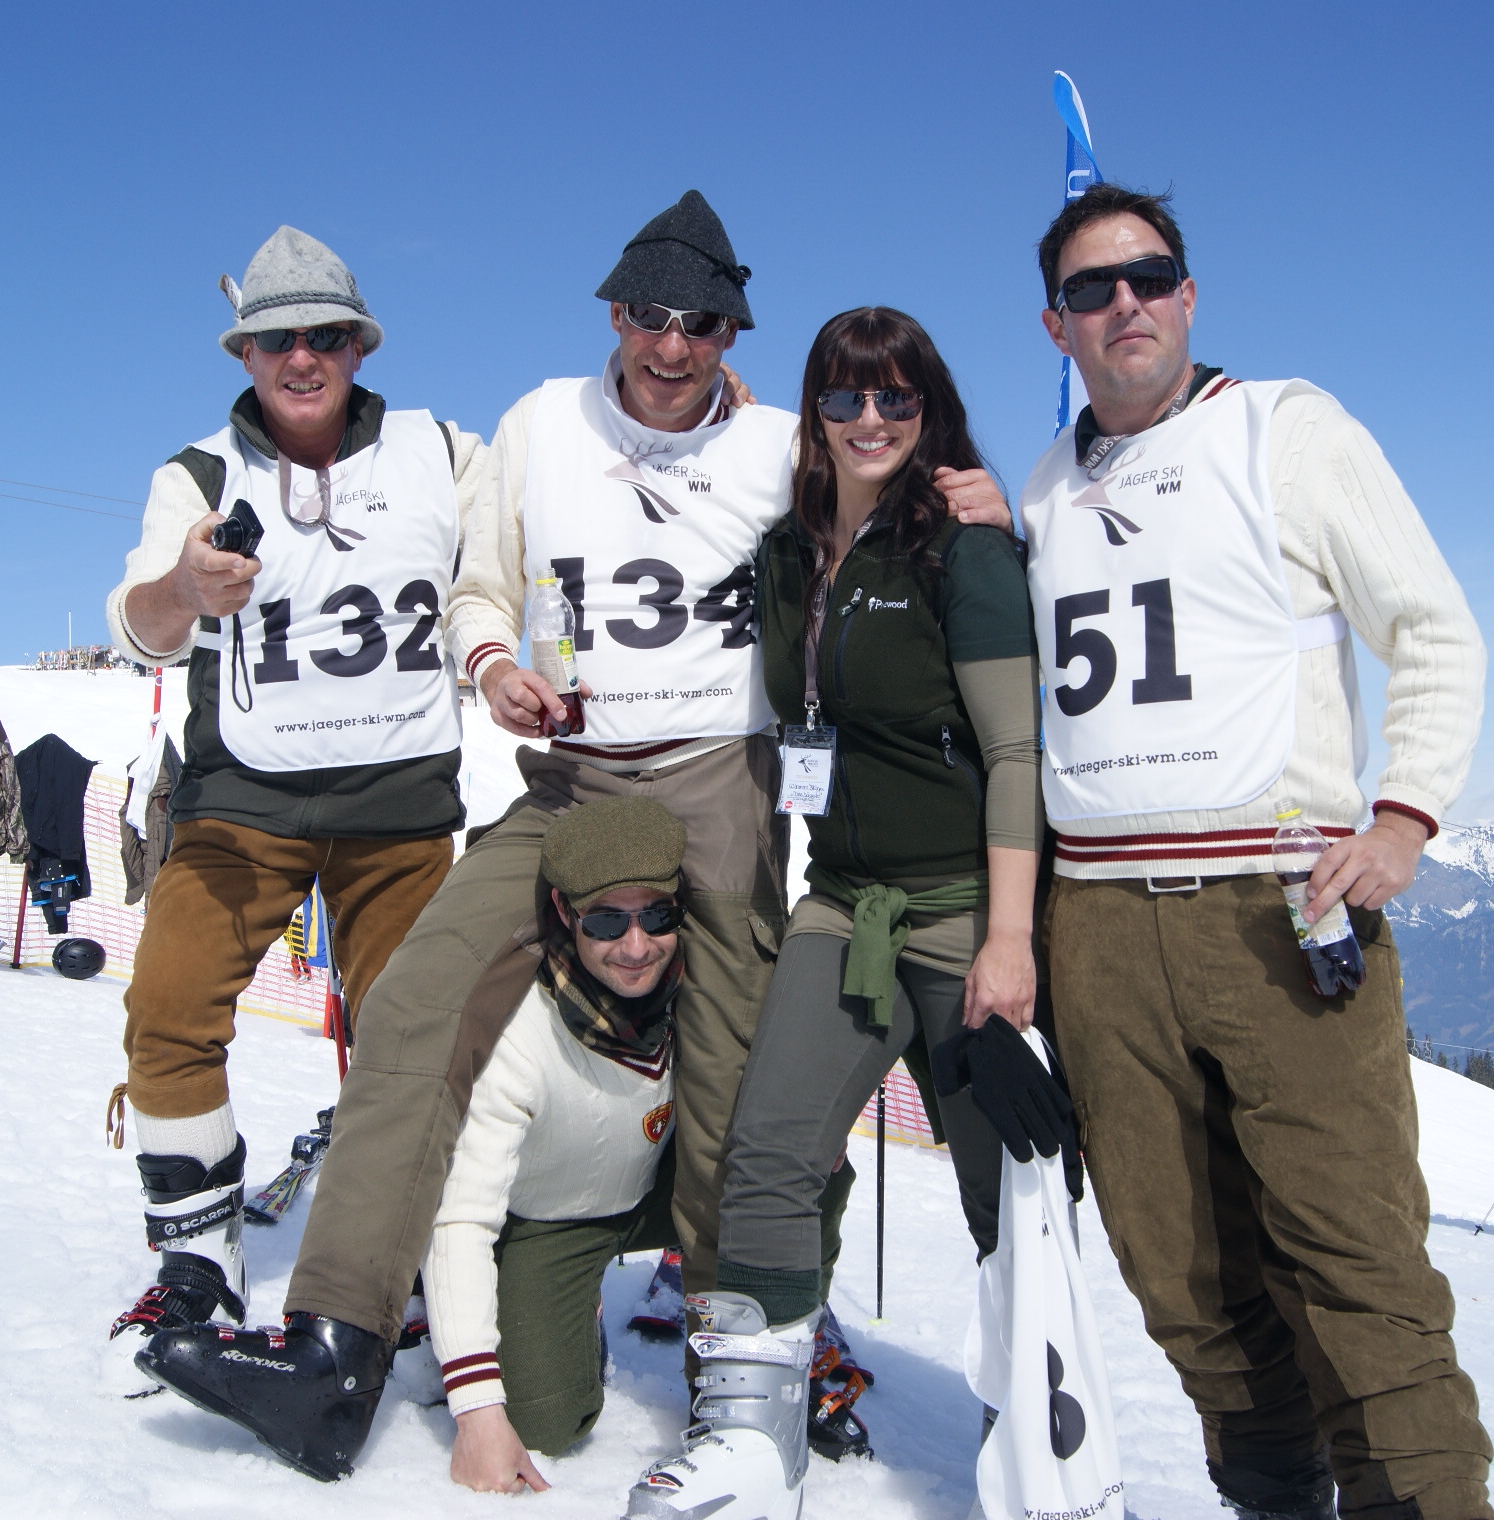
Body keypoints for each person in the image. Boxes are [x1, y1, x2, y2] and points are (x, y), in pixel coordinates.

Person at [134, 189, 1022, 1482]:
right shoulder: (541, 425)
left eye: (702, 323)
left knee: (733, 1057)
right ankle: (334, 1345)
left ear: (732, 334)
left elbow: (882, 512)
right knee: (416, 1001)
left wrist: (975, 504)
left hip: (718, 774)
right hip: (572, 778)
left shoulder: (775, 444)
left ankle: (738, 1363)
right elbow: (481, 584)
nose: (672, 344)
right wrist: (493, 664)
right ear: (613, 314)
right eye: (650, 315)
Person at [1020, 183, 1494, 1520]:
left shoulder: (1285, 428)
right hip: (1099, 922)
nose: (1125, 303)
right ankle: (1275, 1494)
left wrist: (1403, 812)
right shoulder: (1046, 485)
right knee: (1176, 1264)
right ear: (1055, 324)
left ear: (1188, 294)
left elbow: (1433, 627)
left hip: (1275, 901)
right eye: (1092, 288)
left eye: (1149, 276)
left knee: (1353, 1251)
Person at [626, 307, 1063, 1520]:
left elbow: (1014, 751)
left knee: (1004, 1193)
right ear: (811, 411)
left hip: (965, 911)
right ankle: (750, 1438)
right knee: (765, 1150)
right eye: (842, 396)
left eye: (895, 397)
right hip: (842, 902)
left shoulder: (962, 549)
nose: (869, 419)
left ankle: (1036, 1444)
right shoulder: (782, 553)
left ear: (930, 409)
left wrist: (1009, 939)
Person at [98, 226, 484, 1361]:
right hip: (244, 803)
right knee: (168, 1006)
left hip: (397, 805)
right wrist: (183, 587)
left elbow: (546, 513)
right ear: (245, 354)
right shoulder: (198, 474)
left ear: (360, 345)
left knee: (418, 1035)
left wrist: (705, 416)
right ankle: (196, 1259)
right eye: (275, 339)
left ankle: (419, 1254)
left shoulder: (440, 450)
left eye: (323, 335)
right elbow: (137, 628)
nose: (300, 357)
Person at [139, 797, 693, 1489]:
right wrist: (478, 1411)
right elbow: (461, 1218)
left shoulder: (701, 995)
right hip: (553, 1220)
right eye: (607, 921)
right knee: (548, 1421)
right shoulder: (517, 1036)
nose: (637, 946)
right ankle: (549, 1302)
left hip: (662, 1192)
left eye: (657, 918)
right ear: (564, 911)